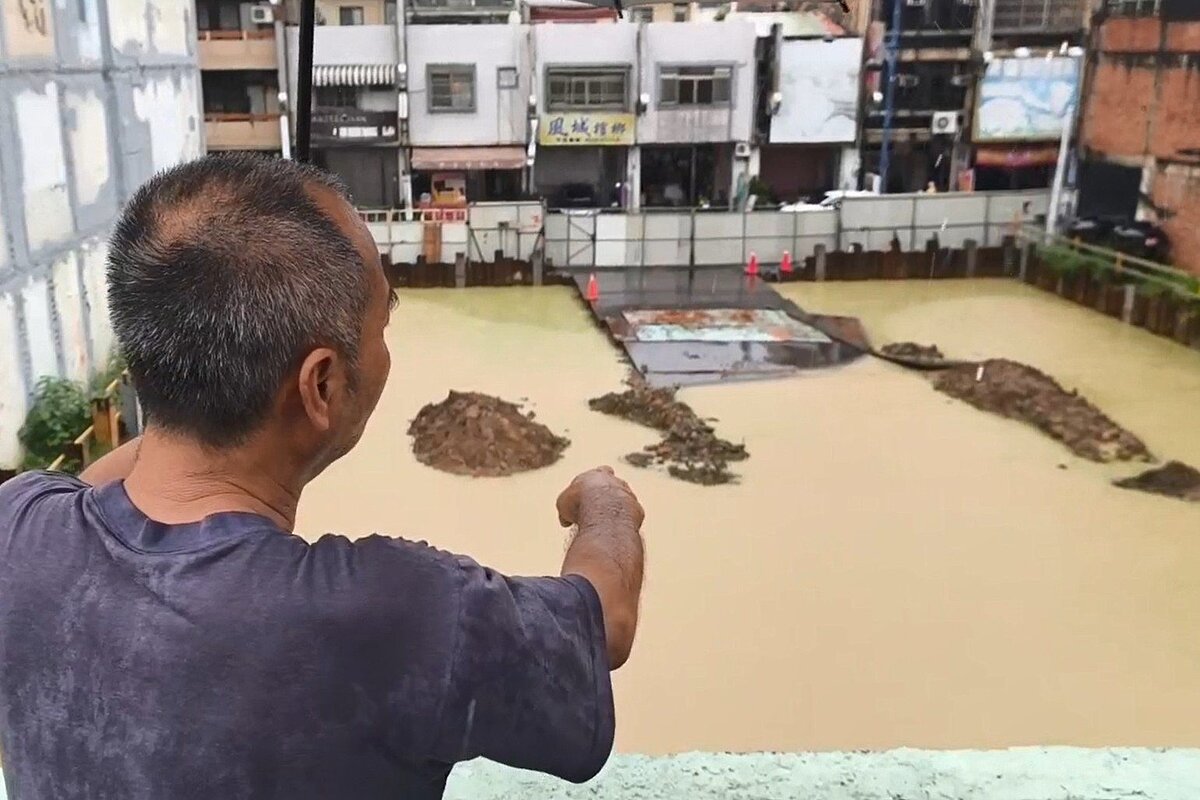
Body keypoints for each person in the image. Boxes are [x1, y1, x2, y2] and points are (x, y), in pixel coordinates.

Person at [0, 154, 645, 799]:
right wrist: (607, 504)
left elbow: (100, 482)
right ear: (322, 385)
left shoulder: (18, 529)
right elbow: (602, 623)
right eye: (381, 325)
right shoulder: (401, 614)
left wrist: (197, 389)